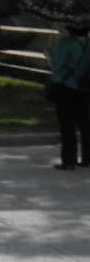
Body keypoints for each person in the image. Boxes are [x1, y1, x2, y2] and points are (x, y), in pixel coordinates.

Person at [48, 24, 90, 170]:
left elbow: (57, 64)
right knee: (85, 125)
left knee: (67, 126)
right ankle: (87, 158)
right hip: (84, 87)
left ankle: (69, 160)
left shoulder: (66, 43)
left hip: (66, 87)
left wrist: (49, 55)